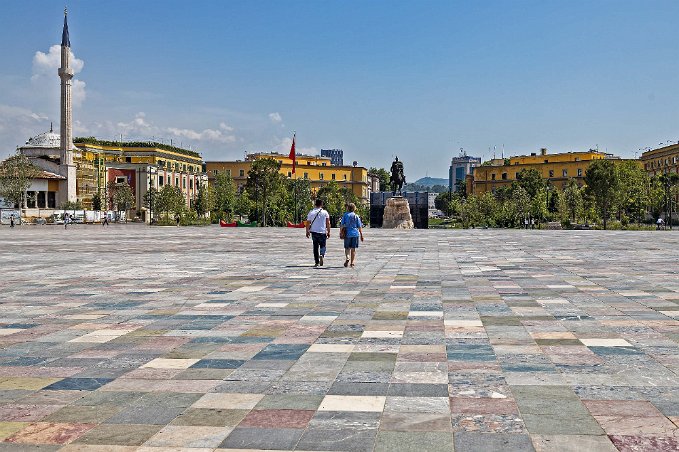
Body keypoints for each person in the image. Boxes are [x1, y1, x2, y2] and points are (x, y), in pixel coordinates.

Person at [305, 199, 331, 267]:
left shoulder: (311, 212)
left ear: (315, 204)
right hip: (322, 231)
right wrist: (328, 231)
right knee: (323, 245)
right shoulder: (325, 212)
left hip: (314, 232)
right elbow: (328, 223)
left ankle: (317, 262)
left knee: (315, 247)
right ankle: (322, 254)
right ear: (321, 204)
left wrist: (307, 231)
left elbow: (308, 222)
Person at [340, 203, 364, 268]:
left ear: (348, 208)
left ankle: (347, 257)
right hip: (355, 234)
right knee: (353, 249)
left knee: (347, 248)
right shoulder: (356, 216)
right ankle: (352, 263)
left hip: (347, 233)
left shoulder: (345, 215)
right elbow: (359, 226)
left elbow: (342, 225)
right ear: (354, 208)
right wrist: (361, 235)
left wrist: (340, 232)